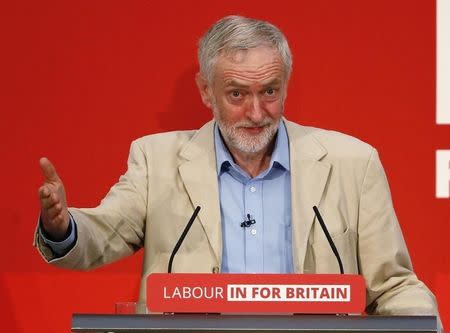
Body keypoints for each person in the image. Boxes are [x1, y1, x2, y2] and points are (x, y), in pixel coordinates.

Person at [35, 15, 440, 317]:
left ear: (286, 84)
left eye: (269, 91)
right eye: (236, 94)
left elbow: (395, 286)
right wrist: (63, 227)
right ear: (206, 91)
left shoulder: (353, 163)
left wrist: (423, 324)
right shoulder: (155, 160)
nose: (256, 111)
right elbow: (104, 233)